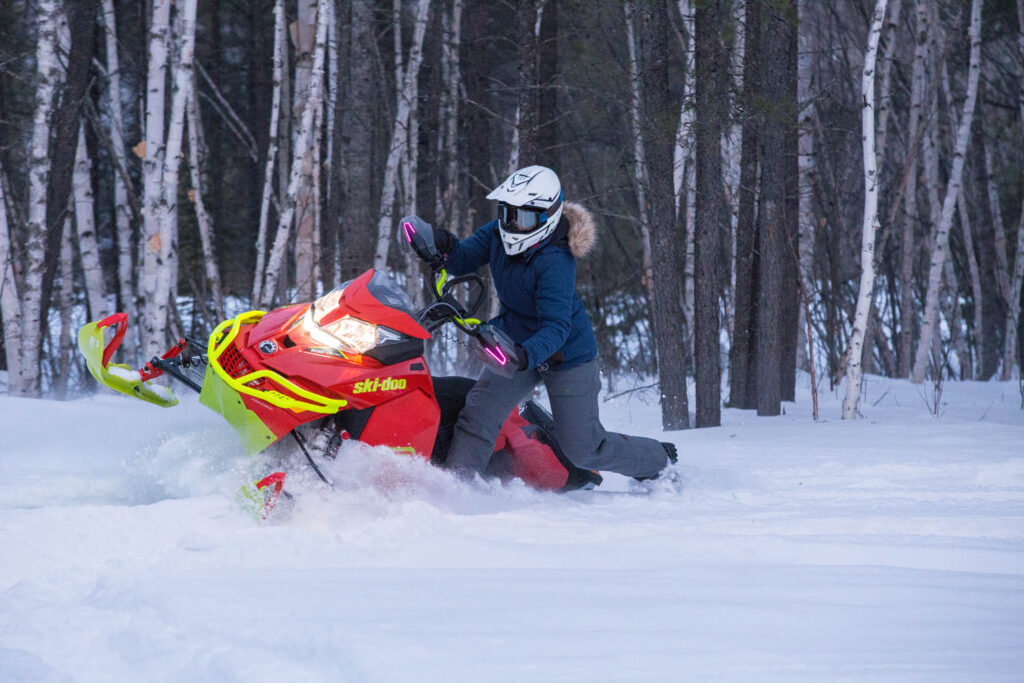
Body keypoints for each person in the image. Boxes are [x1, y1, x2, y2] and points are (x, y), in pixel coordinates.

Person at [426, 165, 677, 481]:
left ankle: (657, 459)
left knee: (584, 449)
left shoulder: (555, 260)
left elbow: (556, 327)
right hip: (514, 346)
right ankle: (457, 489)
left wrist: (524, 356)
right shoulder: (496, 233)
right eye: (507, 213)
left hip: (566, 356)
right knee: (478, 415)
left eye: (524, 217)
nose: (513, 224)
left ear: (546, 217)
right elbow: (463, 258)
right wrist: (443, 244)